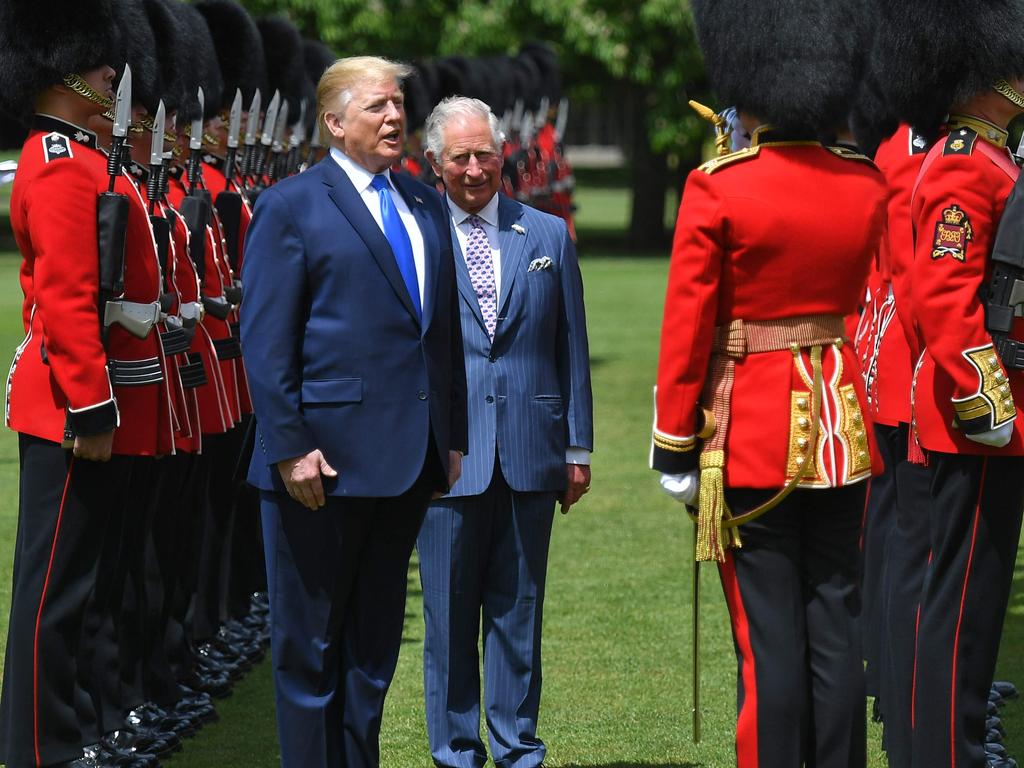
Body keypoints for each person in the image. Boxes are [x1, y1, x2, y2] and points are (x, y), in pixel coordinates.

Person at [651, 1, 886, 765]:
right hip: (841, 429)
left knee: (767, 641)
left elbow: (688, 327)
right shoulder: (865, 182)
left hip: (749, 432)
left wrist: (675, 443)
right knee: (836, 623)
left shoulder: (720, 186)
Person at [240, 56, 468, 768]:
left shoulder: (425, 204)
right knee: (309, 652)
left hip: (406, 464)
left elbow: (442, 330)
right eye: (376, 107)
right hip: (321, 466)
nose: (395, 118)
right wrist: (288, 445)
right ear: (335, 123)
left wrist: (450, 436)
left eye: (398, 104)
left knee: (372, 652)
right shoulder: (292, 205)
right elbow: (266, 339)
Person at [417, 96, 593, 768]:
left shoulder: (546, 236)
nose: (473, 168)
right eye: (459, 156)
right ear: (434, 163)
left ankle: (520, 748)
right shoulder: (415, 236)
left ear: (502, 153)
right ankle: (456, 752)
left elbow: (571, 345)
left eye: (484, 153)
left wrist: (577, 447)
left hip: (529, 451)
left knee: (519, 619)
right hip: (448, 460)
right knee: (449, 623)